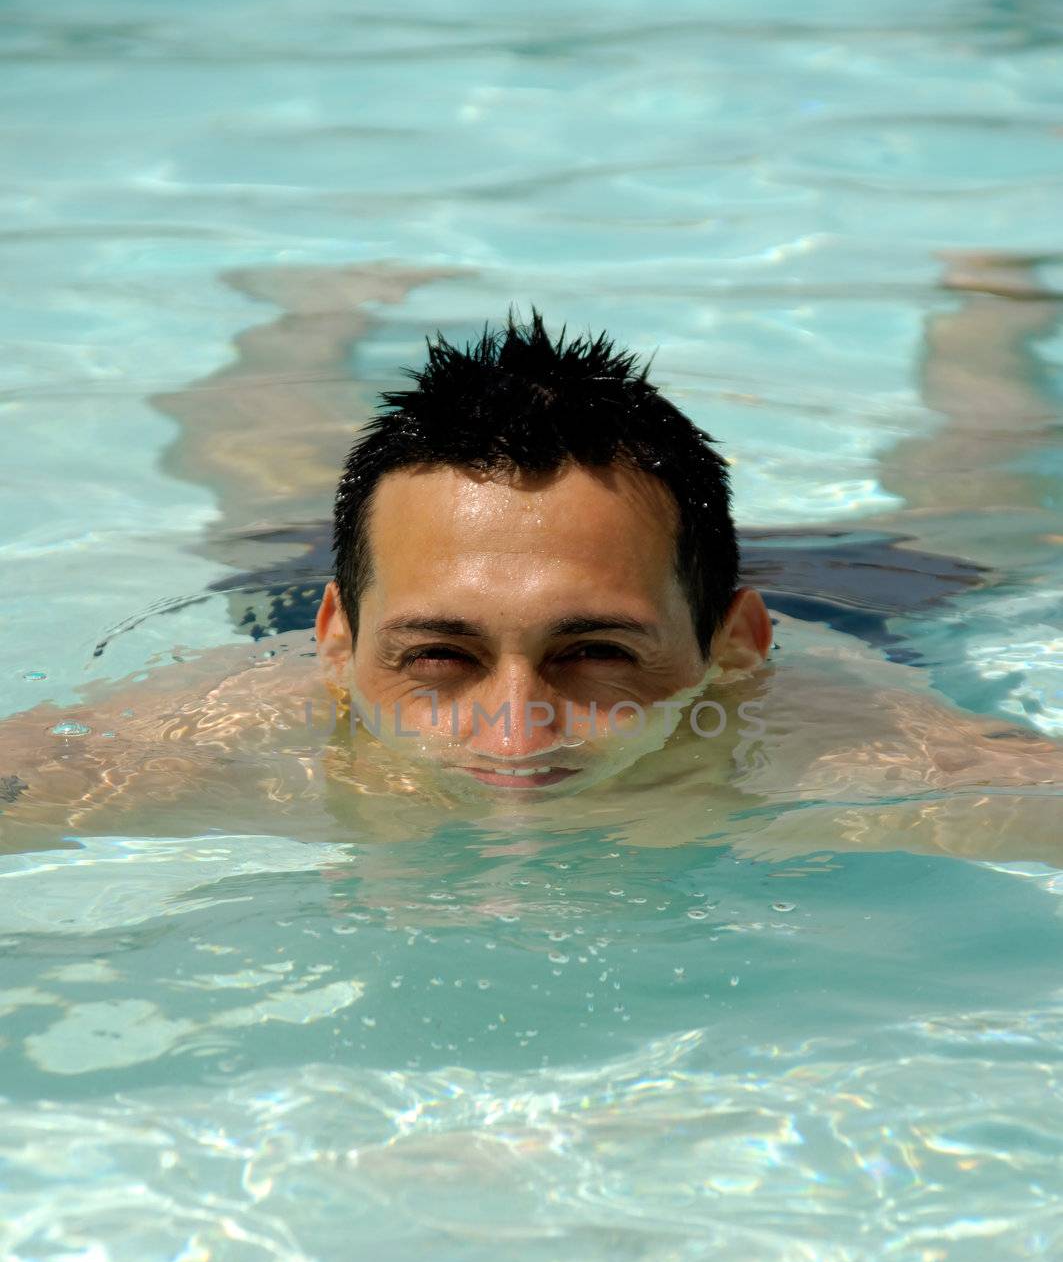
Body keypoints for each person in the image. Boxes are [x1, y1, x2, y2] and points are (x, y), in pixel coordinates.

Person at [1, 263, 1060, 862]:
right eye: (441, 659)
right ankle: (313, 313)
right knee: (264, 473)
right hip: (420, 573)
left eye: (592, 652)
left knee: (984, 498)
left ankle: (986, 318)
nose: (515, 732)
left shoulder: (864, 763)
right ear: (333, 640)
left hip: (830, 611)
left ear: (737, 646)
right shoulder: (212, 743)